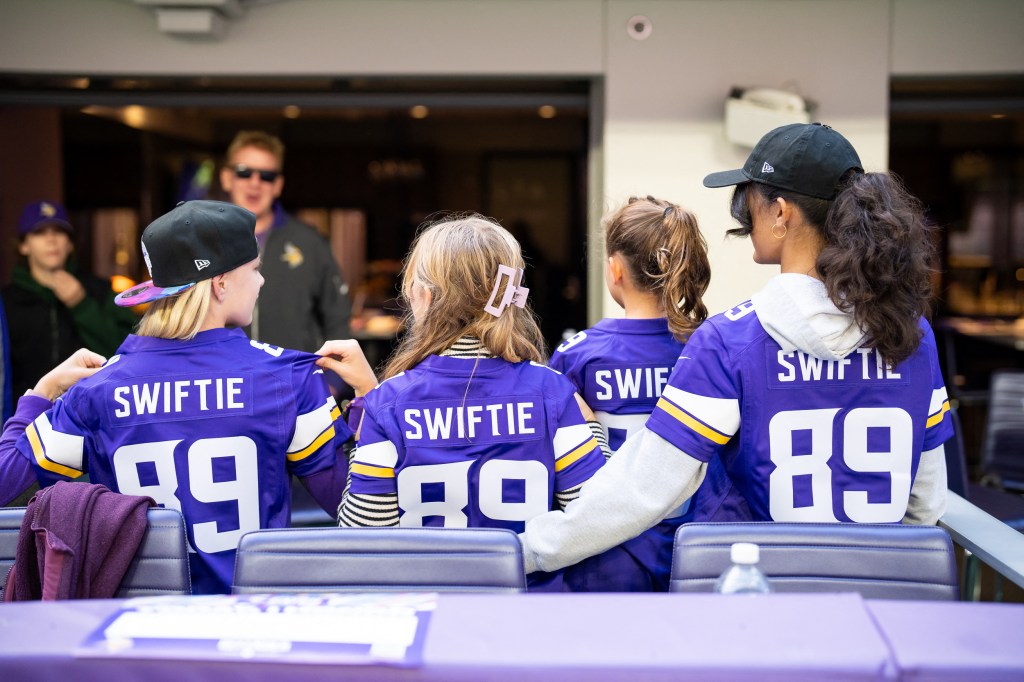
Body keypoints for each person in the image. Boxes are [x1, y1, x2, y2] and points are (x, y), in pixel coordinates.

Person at [520, 122, 953, 575]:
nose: (743, 215)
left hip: (756, 602)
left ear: (781, 213)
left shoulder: (731, 341)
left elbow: (642, 489)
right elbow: (925, 502)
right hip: (875, 597)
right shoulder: (911, 335)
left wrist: (528, 551)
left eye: (747, 199)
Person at [0, 200, 353, 594]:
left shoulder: (96, 391)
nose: (261, 282)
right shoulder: (286, 378)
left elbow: (4, 482)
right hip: (252, 628)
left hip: (138, 630)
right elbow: (352, 507)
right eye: (254, 270)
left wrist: (40, 393)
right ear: (220, 283)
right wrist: (370, 402)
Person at [317, 214, 606, 591]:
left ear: (422, 297)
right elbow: (593, 518)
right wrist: (594, 427)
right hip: (532, 614)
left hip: (425, 611)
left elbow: (362, 538)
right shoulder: (551, 392)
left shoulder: (386, 404)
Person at [551, 195, 710, 591]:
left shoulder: (578, 354)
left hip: (605, 549)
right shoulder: (709, 346)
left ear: (615, 268)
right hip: (693, 544)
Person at [219, 130, 351, 352]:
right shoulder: (205, 240)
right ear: (226, 178)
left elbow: (337, 318)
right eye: (244, 172)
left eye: (266, 176)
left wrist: (332, 384)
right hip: (225, 382)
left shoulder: (310, 242)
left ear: (278, 184)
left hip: (294, 381)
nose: (255, 183)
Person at [2, 200, 137, 399]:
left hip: (90, 414)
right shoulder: (7, 301)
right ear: (23, 245)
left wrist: (81, 305)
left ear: (70, 244)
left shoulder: (99, 290)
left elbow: (130, 351)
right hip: (28, 415)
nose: (51, 239)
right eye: (39, 232)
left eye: (59, 231)